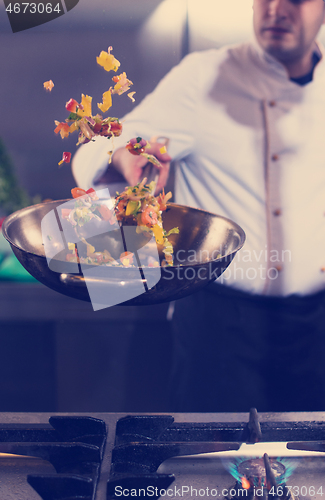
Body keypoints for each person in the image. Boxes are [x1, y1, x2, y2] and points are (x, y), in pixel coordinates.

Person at [72, 0, 325, 412]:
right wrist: (126, 154)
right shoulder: (203, 76)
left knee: (312, 468)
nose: (277, 8)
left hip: (316, 326)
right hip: (220, 322)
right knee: (210, 465)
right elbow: (105, 141)